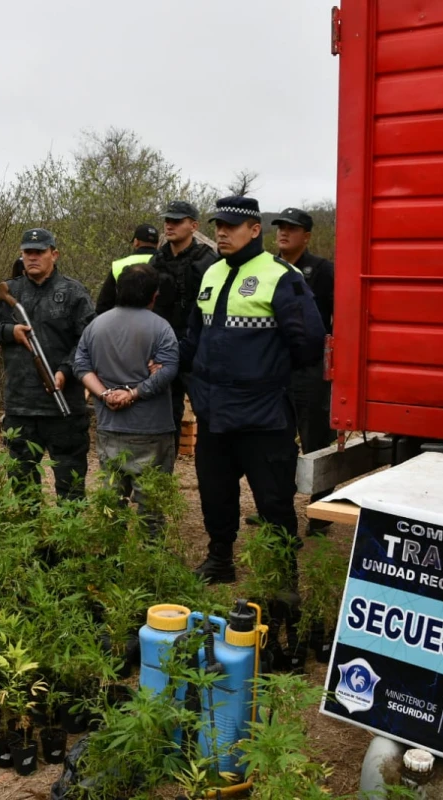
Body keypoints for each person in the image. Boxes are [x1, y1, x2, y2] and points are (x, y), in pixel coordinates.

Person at [181, 196, 326, 585]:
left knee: (274, 500)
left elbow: (308, 345)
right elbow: (194, 336)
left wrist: (269, 379)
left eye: (231, 226)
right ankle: (220, 560)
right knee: (215, 496)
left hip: (263, 416)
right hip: (214, 415)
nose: (222, 233)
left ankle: (283, 575)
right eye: (218, 226)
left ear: (255, 230)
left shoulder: (281, 275)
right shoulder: (210, 273)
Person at [0, 228, 95, 501]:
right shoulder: (9, 291)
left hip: (65, 407)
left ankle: (69, 541)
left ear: (54, 254)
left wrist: (65, 370)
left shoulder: (74, 292)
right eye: (28, 252)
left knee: (71, 482)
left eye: (39, 252)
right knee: (22, 481)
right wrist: (10, 332)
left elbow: (88, 340)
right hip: (21, 406)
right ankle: (32, 539)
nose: (33, 257)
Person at [74, 262, 179, 530]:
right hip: (152, 429)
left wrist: (105, 394)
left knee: (112, 501)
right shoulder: (162, 328)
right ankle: (151, 561)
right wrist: (133, 393)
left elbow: (81, 366)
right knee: (151, 506)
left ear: (118, 289)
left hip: (111, 427)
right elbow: (168, 371)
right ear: (154, 295)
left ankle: (113, 561)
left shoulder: (96, 326)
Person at [109, 201, 220, 446]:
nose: (169, 225)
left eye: (177, 221)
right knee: (164, 415)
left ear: (193, 225)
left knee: (209, 413)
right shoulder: (156, 262)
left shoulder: (209, 262)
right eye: (167, 220)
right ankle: (162, 472)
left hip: (198, 348)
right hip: (162, 348)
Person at [273, 207, 335, 535]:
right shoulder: (267, 268)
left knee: (317, 441)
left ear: (306, 236)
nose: (283, 233)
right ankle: (277, 510)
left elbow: (340, 318)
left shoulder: (323, 270)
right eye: (280, 227)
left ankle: (322, 515)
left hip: (310, 371)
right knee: (277, 443)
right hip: (274, 370)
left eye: (292, 229)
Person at [95, 224, 159, 314]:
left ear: (136, 242)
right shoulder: (164, 262)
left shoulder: (119, 264)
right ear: (157, 244)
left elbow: (104, 304)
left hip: (124, 320)